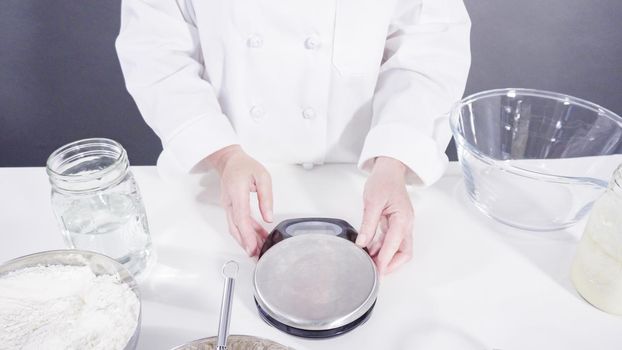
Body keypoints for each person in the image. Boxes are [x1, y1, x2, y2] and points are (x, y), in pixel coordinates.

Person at [116, 0, 471, 275]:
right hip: (229, 190)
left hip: (367, 185)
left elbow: (431, 47)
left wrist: (395, 162)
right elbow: (154, 52)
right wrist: (224, 156)